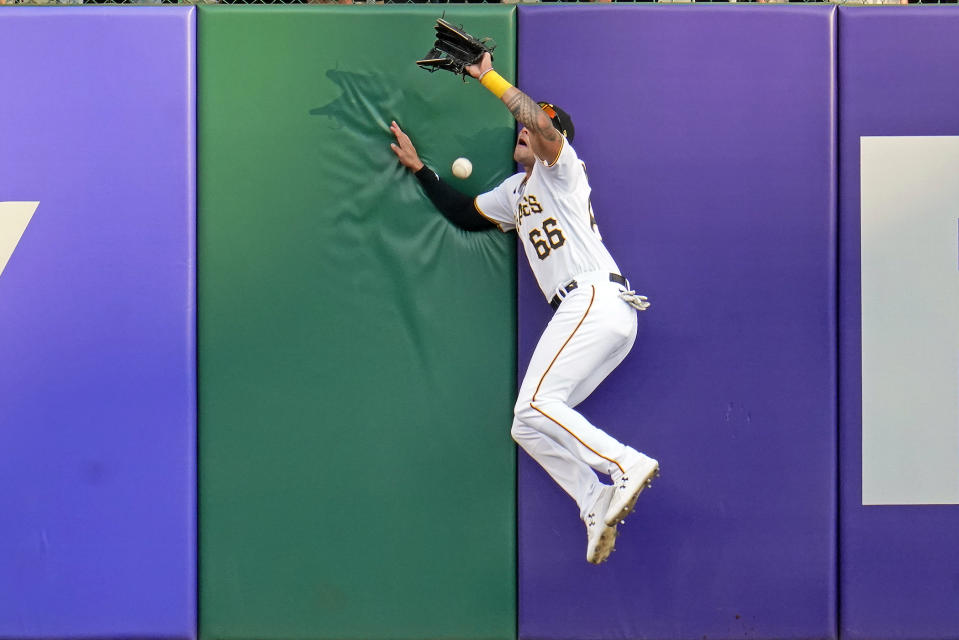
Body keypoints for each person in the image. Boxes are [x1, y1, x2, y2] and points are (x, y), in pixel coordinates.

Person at [390, 52, 659, 565]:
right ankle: (593, 499)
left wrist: (485, 76)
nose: (525, 128)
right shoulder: (516, 192)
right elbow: (466, 217)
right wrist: (421, 170)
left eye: (537, 125)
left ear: (553, 139)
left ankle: (624, 464)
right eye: (526, 124)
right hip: (596, 313)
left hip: (593, 298)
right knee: (528, 422)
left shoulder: (563, 170)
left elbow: (537, 119)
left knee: (536, 405)